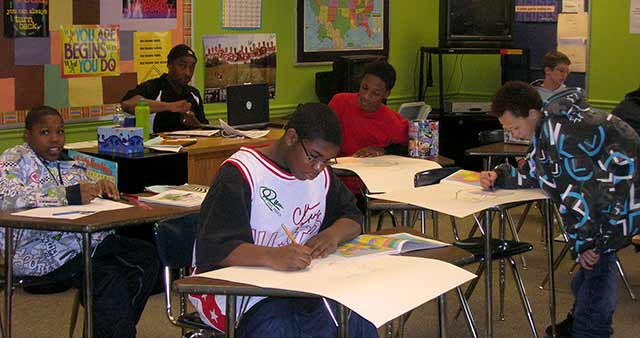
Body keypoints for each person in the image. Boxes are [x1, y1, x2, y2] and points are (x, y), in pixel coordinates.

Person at [188, 103, 379, 338]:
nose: (318, 168)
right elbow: (214, 248)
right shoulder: (241, 173)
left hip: (299, 282)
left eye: (327, 162)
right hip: (232, 286)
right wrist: (272, 255)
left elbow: (352, 217)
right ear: (291, 137)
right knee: (281, 326)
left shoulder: (320, 176)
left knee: (354, 318)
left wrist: (333, 235)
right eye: (314, 157)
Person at [479, 82, 640, 338]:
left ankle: (592, 331)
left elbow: (581, 195)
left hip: (619, 198)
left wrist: (587, 244)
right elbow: (537, 172)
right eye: (507, 129)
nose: (515, 134)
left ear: (532, 113)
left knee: (599, 269)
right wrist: (499, 176)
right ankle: (577, 321)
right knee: (586, 275)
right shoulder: (546, 129)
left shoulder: (562, 135)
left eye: (515, 127)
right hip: (605, 196)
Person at [0, 106, 160, 338]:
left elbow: (86, 191)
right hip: (39, 253)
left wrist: (101, 189)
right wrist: (69, 194)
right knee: (107, 278)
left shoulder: (69, 163)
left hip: (84, 244)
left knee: (146, 256)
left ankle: (111, 330)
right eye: (45, 132)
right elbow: (6, 199)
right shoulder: (14, 160)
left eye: (60, 132)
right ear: (27, 135)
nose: (55, 139)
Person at [121, 44, 209, 133]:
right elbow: (127, 104)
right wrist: (169, 106)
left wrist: (194, 123)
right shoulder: (154, 87)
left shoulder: (194, 94)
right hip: (156, 144)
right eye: (182, 65)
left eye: (191, 67)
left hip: (190, 145)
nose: (188, 72)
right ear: (169, 64)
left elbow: (205, 128)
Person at [329, 60, 408, 157]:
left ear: (386, 94)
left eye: (375, 93)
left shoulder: (395, 123)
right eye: (364, 88)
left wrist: (384, 150)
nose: (366, 96)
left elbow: (407, 148)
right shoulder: (340, 102)